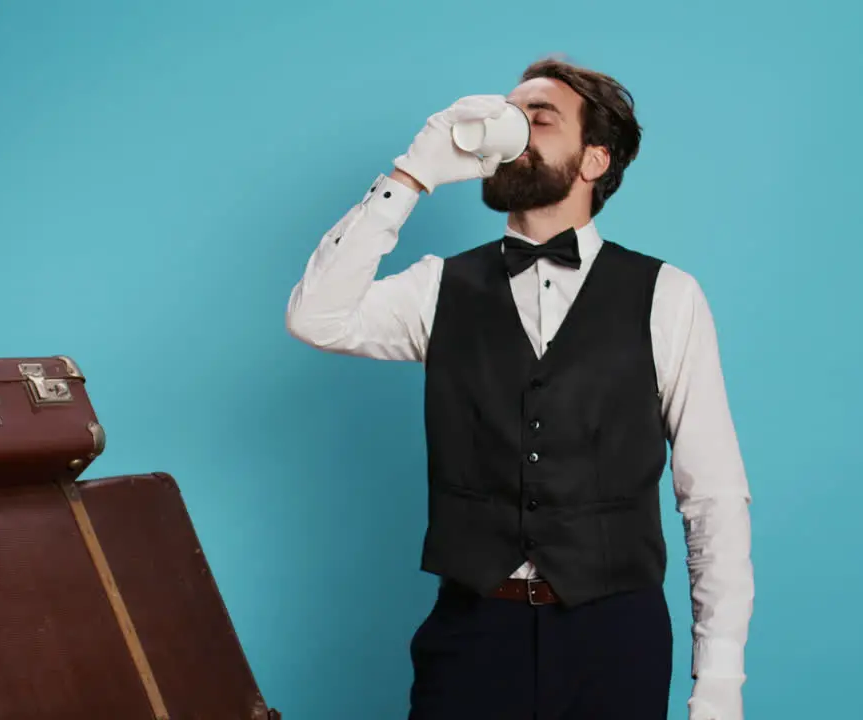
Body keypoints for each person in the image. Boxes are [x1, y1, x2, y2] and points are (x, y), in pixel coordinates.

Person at [285, 56, 753, 720]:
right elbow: (315, 317)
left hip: (615, 637)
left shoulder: (667, 297)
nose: (513, 127)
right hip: (473, 633)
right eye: (510, 112)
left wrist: (720, 685)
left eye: (540, 117)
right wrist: (411, 176)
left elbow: (713, 498)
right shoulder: (438, 288)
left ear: (594, 160)